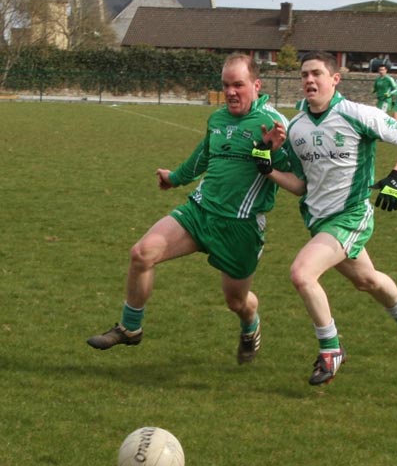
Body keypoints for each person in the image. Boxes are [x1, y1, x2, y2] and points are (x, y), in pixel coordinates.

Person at [86, 52, 291, 364]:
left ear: (257, 84)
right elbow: (203, 156)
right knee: (142, 253)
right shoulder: (218, 119)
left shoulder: (274, 124)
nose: (231, 92)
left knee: (236, 302)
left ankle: (251, 325)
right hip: (199, 212)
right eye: (226, 85)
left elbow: (295, 174)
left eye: (238, 84)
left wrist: (273, 152)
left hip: (240, 227)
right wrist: (176, 178)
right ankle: (130, 327)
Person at [252, 51, 397, 386]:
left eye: (317, 73)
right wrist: (268, 168)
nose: (309, 80)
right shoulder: (297, 128)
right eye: (304, 74)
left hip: (351, 215)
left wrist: (396, 178)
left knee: (302, 273)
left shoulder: (357, 114)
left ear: (335, 79)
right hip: (319, 223)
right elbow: (302, 186)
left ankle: (331, 350)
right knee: (367, 280)